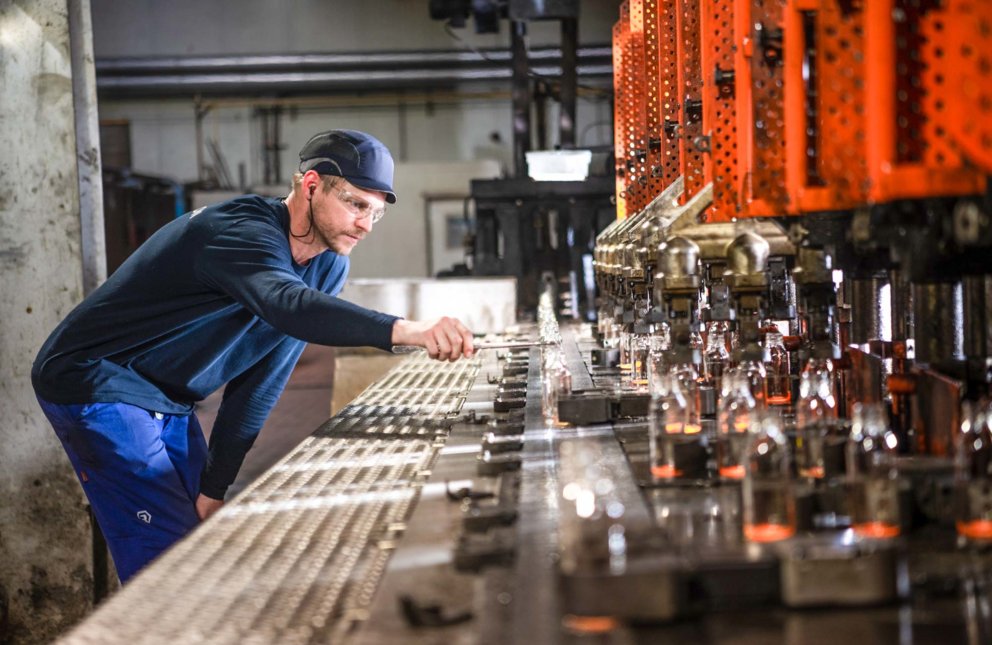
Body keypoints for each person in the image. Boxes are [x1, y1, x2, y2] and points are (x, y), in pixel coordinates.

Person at [32, 129, 474, 582]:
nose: (365, 225)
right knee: (164, 561)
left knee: (194, 534)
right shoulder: (240, 231)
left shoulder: (328, 264)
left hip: (167, 396)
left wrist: (215, 485)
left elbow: (263, 378)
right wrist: (409, 330)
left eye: (376, 214)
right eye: (357, 204)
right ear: (311, 186)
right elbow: (288, 303)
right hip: (98, 380)